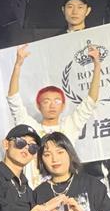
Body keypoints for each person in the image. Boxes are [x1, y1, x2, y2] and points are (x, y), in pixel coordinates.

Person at [7, 43, 101, 186]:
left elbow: (91, 101)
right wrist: (18, 65)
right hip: (35, 191)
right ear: (38, 106)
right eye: (46, 101)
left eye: (57, 101)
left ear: (63, 106)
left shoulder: (70, 125)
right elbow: (13, 99)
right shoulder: (30, 128)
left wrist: (97, 65)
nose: (52, 105)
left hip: (66, 190)